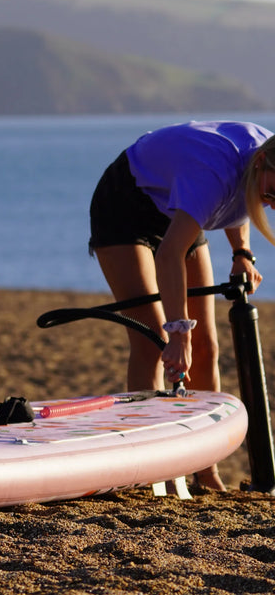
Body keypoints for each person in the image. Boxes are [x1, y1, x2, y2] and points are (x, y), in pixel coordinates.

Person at [88, 120, 275, 490]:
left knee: (206, 345)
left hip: (181, 208)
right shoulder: (213, 174)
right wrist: (177, 331)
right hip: (126, 206)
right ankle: (150, 471)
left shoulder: (260, 154)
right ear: (263, 164)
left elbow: (244, 198)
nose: (274, 204)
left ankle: (206, 471)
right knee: (153, 340)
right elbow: (170, 252)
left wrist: (242, 253)